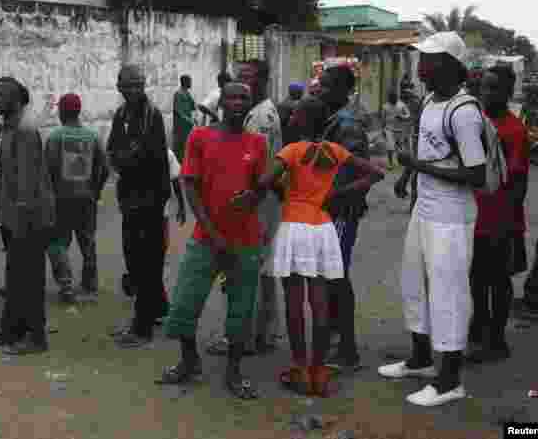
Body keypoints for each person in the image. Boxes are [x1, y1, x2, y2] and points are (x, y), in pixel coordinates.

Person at [240, 97, 384, 396]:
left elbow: (266, 181)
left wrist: (259, 186)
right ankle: (319, 373)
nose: (291, 117)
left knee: (294, 304)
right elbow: (375, 173)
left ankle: (299, 369)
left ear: (302, 121)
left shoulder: (291, 151)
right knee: (319, 303)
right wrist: (336, 194)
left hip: (294, 227)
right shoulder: (334, 151)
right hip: (322, 228)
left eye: (296, 114)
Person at [382, 32, 486, 407]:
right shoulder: (429, 101)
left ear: (449, 66)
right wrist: (408, 176)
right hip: (424, 209)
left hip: (451, 218)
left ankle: (449, 381)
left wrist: (418, 167)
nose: (421, 66)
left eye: (429, 59)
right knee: (414, 282)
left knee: (449, 293)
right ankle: (421, 359)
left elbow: (476, 174)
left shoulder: (464, 112)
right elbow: (427, 149)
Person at [156, 82, 266, 398]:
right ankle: (189, 362)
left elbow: (261, 187)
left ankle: (234, 372)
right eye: (232, 97)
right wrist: (214, 233)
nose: (238, 103)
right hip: (207, 238)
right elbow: (190, 185)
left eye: (244, 98)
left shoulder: (257, 143)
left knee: (241, 308)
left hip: (245, 240)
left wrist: (254, 197)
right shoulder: (200, 137)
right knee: (185, 302)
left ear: (250, 104)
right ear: (220, 103)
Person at [209, 60, 282, 357]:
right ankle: (263, 332)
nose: (241, 83)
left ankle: (242, 336)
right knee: (261, 268)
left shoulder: (259, 116)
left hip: (256, 199)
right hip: (262, 198)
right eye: (239, 77)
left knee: (244, 266)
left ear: (263, 81)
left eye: (248, 78)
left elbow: (253, 164)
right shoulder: (259, 110)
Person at [0, 77, 55, 355]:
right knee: (15, 276)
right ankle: (11, 329)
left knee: (29, 278)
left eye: (2, 95)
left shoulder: (24, 129)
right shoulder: (6, 127)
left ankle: (36, 337)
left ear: (18, 98)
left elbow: (27, 182)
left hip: (29, 217)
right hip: (13, 215)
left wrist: (20, 220)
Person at [107, 64, 171, 348]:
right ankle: (157, 308)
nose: (133, 90)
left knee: (145, 261)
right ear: (119, 86)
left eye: (138, 85)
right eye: (128, 85)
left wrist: (127, 157)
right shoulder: (121, 114)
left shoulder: (151, 115)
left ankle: (142, 326)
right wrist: (126, 157)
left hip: (150, 198)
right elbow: (113, 151)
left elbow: (148, 156)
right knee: (136, 259)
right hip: (130, 197)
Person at [469, 65, 529, 362]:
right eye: (484, 88)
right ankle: (479, 327)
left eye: (494, 88)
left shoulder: (514, 130)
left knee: (498, 280)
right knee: (476, 279)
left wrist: (509, 224)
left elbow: (518, 182)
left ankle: (496, 338)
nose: (487, 94)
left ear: (507, 93)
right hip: (475, 217)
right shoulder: (477, 123)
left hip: (500, 220)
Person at [314, 64, 373, 372]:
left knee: (336, 278)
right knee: (331, 276)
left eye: (324, 85)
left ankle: (347, 350)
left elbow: (367, 174)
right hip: (332, 212)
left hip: (341, 213)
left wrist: (334, 197)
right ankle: (336, 338)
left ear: (341, 89)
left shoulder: (347, 124)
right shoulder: (334, 120)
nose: (318, 89)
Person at [44, 93, 109, 302]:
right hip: (86, 198)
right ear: (79, 111)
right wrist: (96, 191)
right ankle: (90, 284)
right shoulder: (93, 136)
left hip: (60, 199)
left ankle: (66, 285)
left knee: (57, 241)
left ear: (62, 111)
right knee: (87, 241)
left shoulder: (55, 137)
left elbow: (47, 171)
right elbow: (105, 167)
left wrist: (48, 196)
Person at [383, 90, 411, 170]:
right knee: (390, 147)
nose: (393, 100)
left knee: (400, 147)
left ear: (396, 98)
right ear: (389, 99)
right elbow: (383, 118)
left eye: (394, 99)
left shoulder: (401, 105)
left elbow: (408, 115)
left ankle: (402, 161)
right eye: (392, 99)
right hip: (389, 129)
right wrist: (383, 129)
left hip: (400, 130)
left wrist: (402, 117)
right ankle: (390, 163)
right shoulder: (385, 106)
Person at [172, 75, 197, 161]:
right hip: (180, 127)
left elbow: (193, 106)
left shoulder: (187, 93)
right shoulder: (178, 94)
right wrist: (189, 120)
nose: (191, 83)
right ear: (185, 82)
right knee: (180, 148)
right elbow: (178, 111)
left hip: (187, 127)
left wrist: (195, 118)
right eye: (189, 81)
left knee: (187, 147)